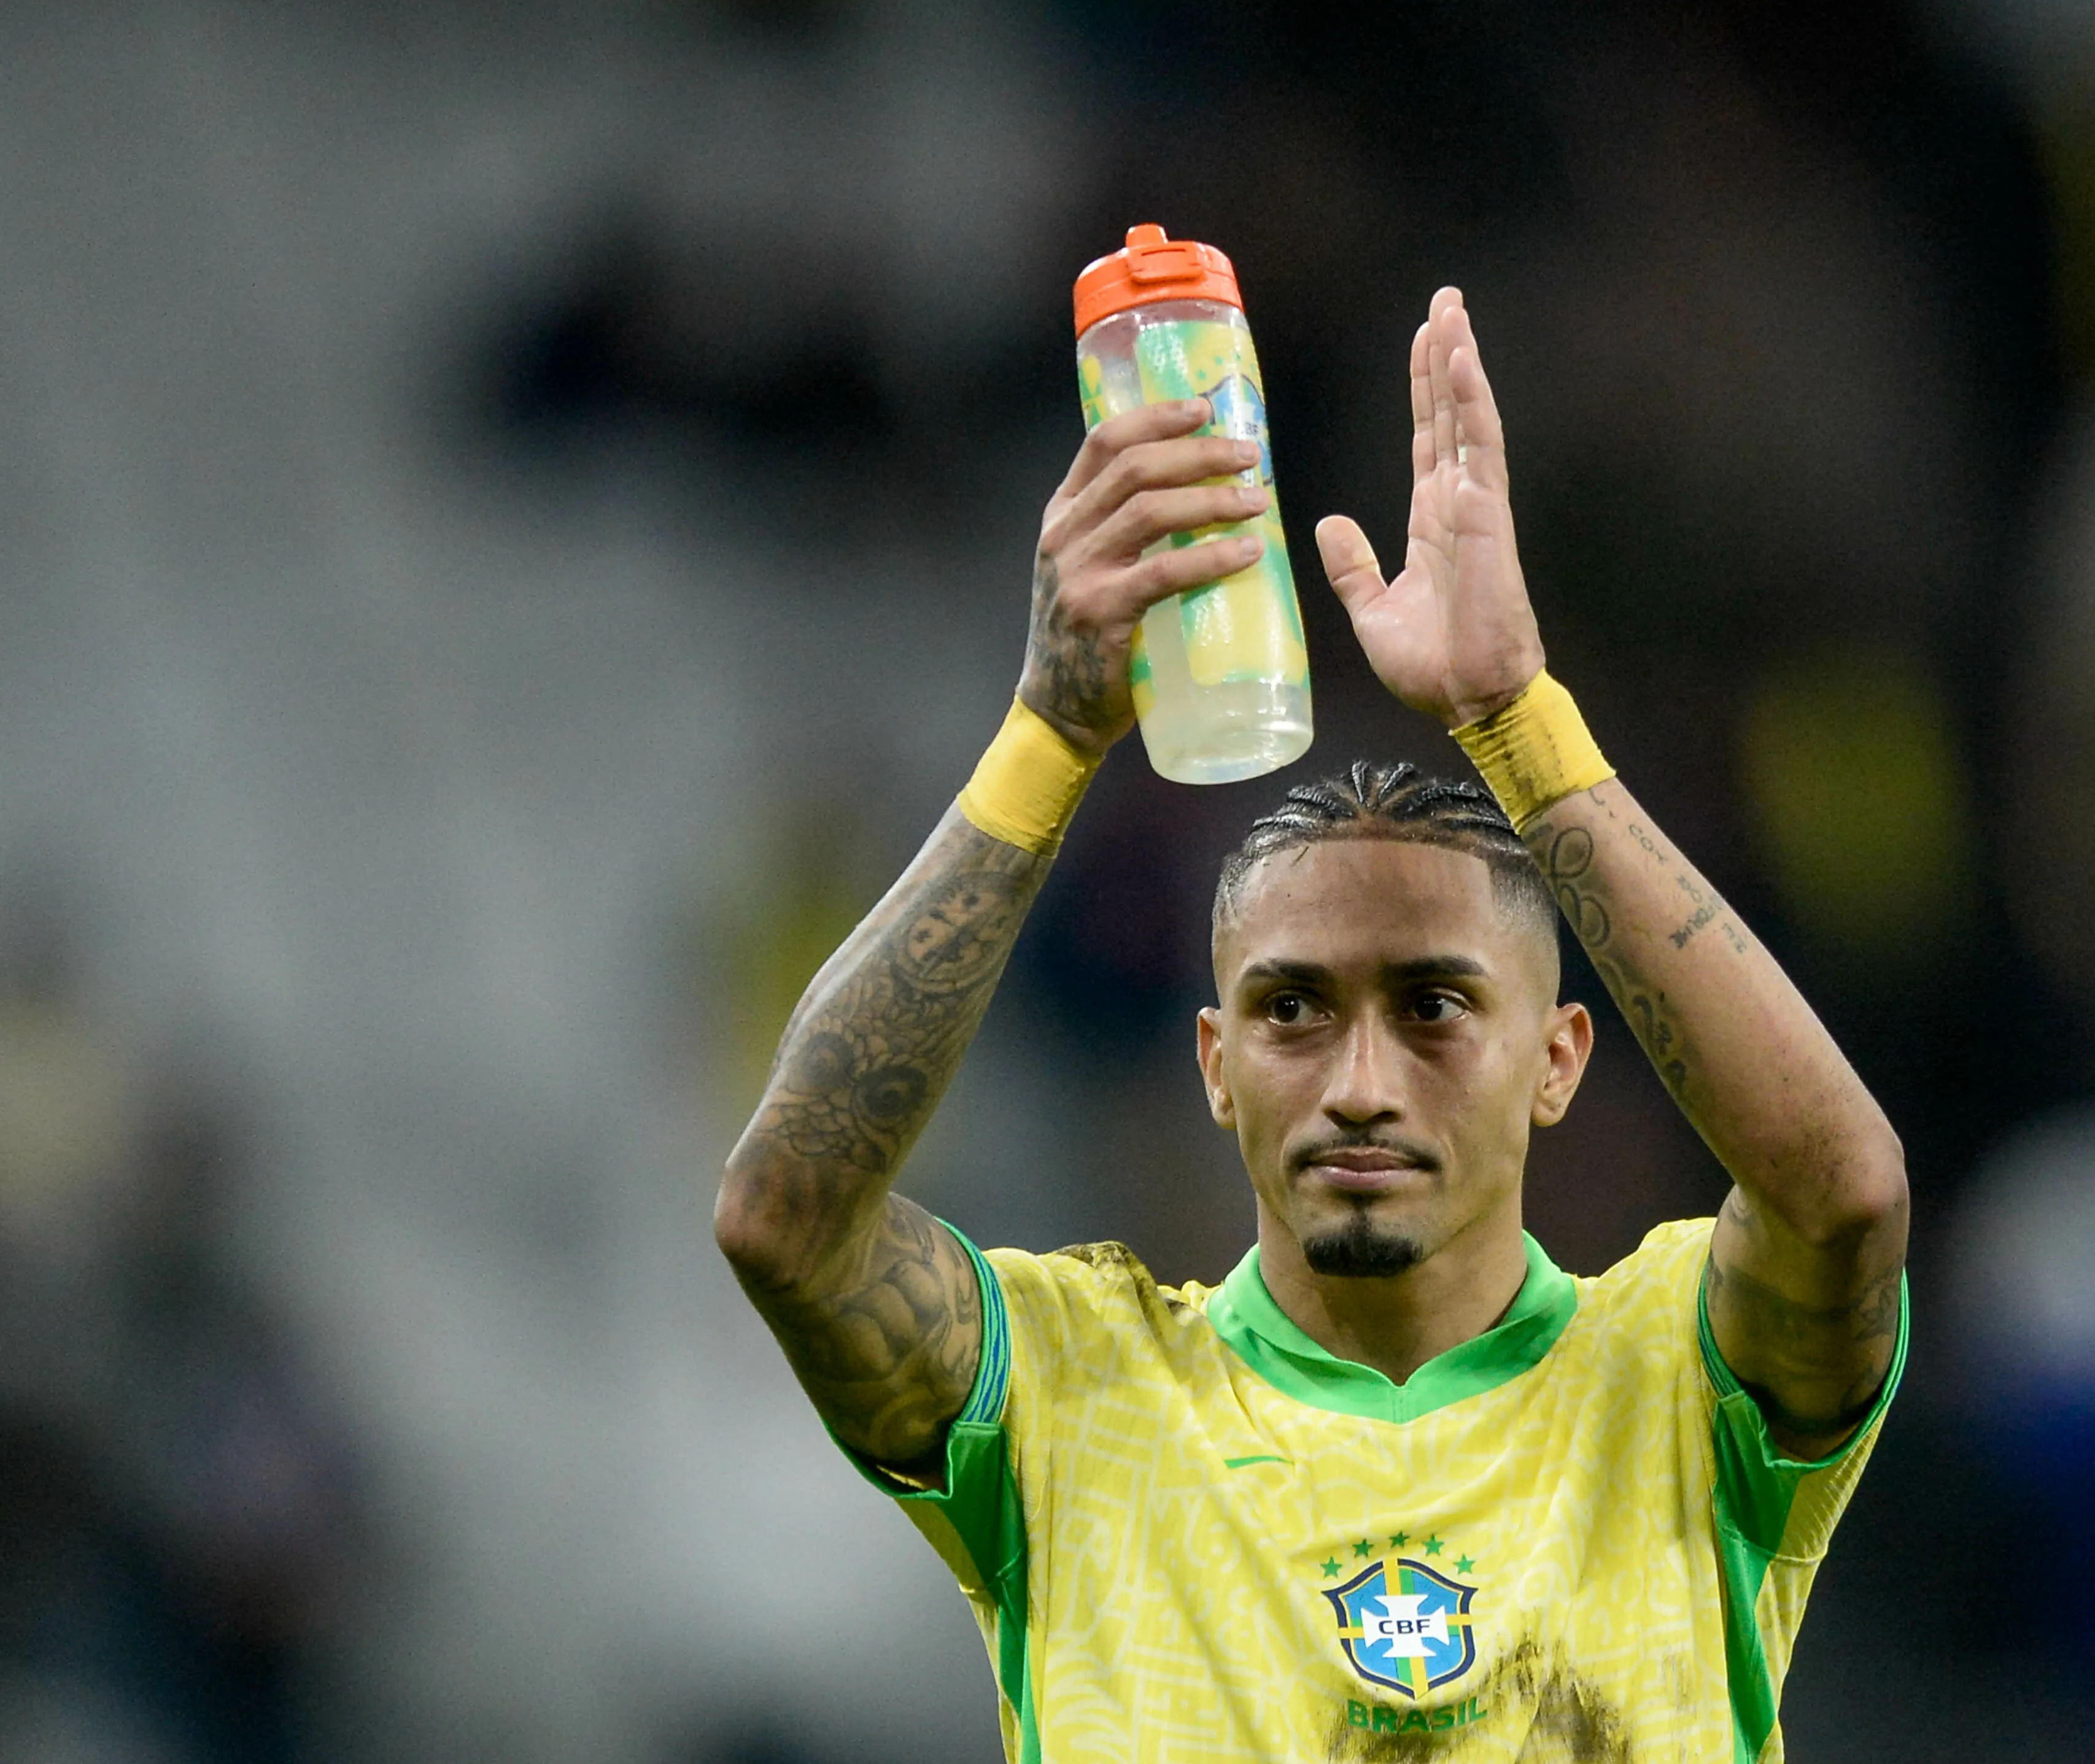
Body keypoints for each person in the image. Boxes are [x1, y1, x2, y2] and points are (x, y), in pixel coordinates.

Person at [716, 289, 1910, 1762]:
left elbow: (1842, 1191)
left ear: (1558, 1061)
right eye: (1291, 1010)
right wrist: (1051, 731)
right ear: (1214, 1065)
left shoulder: (1670, 1375)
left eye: (1432, 1007)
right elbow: (786, 1218)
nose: (1359, 1082)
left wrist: (1518, 722)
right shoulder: (1075, 1394)